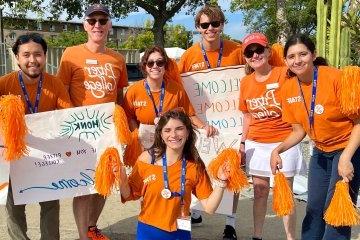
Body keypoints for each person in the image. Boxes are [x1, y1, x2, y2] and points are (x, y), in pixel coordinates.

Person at [270, 34, 360, 240]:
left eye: (303, 54)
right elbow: (298, 131)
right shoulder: (288, 88)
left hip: (348, 149)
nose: (297, 60)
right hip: (319, 152)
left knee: (336, 212)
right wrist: (278, 150)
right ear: (285, 61)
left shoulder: (335, 78)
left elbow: (358, 122)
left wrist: (346, 158)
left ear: (313, 55)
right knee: (314, 208)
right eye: (291, 56)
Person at [57, 4, 128, 240]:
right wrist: (72, 123)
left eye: (102, 20)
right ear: (85, 25)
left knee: (103, 184)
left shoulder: (118, 58)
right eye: (92, 20)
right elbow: (62, 92)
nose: (97, 25)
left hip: (107, 132)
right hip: (80, 132)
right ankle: (82, 236)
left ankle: (92, 227)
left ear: (109, 25)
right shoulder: (70, 54)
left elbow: (119, 96)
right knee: (83, 187)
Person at [178, 5, 245, 239]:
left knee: (231, 171)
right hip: (199, 126)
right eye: (205, 25)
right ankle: (194, 213)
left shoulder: (237, 51)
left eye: (215, 24)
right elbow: (180, 90)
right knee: (196, 170)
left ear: (222, 25)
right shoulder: (189, 56)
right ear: (198, 28)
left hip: (231, 126)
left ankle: (230, 224)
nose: (210, 29)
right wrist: (194, 122)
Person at [0, 33, 72, 240]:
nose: (33, 60)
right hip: (12, 157)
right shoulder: (4, 84)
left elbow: (68, 117)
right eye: (26, 55)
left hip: (46, 156)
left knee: (50, 204)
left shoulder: (55, 84)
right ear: (17, 58)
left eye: (38, 54)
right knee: (13, 207)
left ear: (45, 56)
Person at [118, 109, 231, 240]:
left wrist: (221, 182)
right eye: (167, 130)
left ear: (188, 132)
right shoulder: (146, 159)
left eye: (179, 129)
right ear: (160, 134)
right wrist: (121, 178)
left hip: (180, 232)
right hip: (149, 231)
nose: (173, 134)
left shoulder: (194, 165)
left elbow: (210, 208)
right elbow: (129, 194)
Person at [238, 33, 304, 240]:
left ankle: (290, 237)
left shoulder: (285, 73)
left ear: (268, 51)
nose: (255, 55)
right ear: (245, 57)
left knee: (285, 193)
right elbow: (247, 115)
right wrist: (242, 142)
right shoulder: (246, 82)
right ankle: (257, 236)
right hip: (256, 142)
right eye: (250, 52)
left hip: (286, 141)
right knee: (259, 191)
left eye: (259, 50)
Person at [122, 45, 217, 150]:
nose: (155, 66)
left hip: (171, 145)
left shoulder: (177, 89)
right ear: (145, 67)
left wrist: (204, 127)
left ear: (165, 66)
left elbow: (189, 115)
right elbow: (128, 117)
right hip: (143, 147)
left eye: (160, 62)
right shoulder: (133, 91)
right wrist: (137, 134)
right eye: (150, 63)